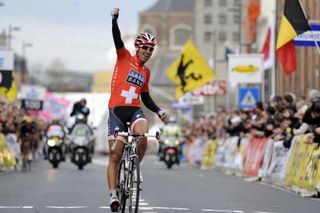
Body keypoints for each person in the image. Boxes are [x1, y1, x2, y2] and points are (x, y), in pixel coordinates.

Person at [107, 8, 168, 212]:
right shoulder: (124, 57)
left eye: (151, 50)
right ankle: (113, 194)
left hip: (134, 111)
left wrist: (159, 111)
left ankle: (135, 168)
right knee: (115, 155)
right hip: (116, 111)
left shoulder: (146, 72)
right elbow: (117, 39)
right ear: (137, 47)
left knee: (142, 133)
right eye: (145, 48)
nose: (148, 53)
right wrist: (115, 21)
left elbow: (145, 97)